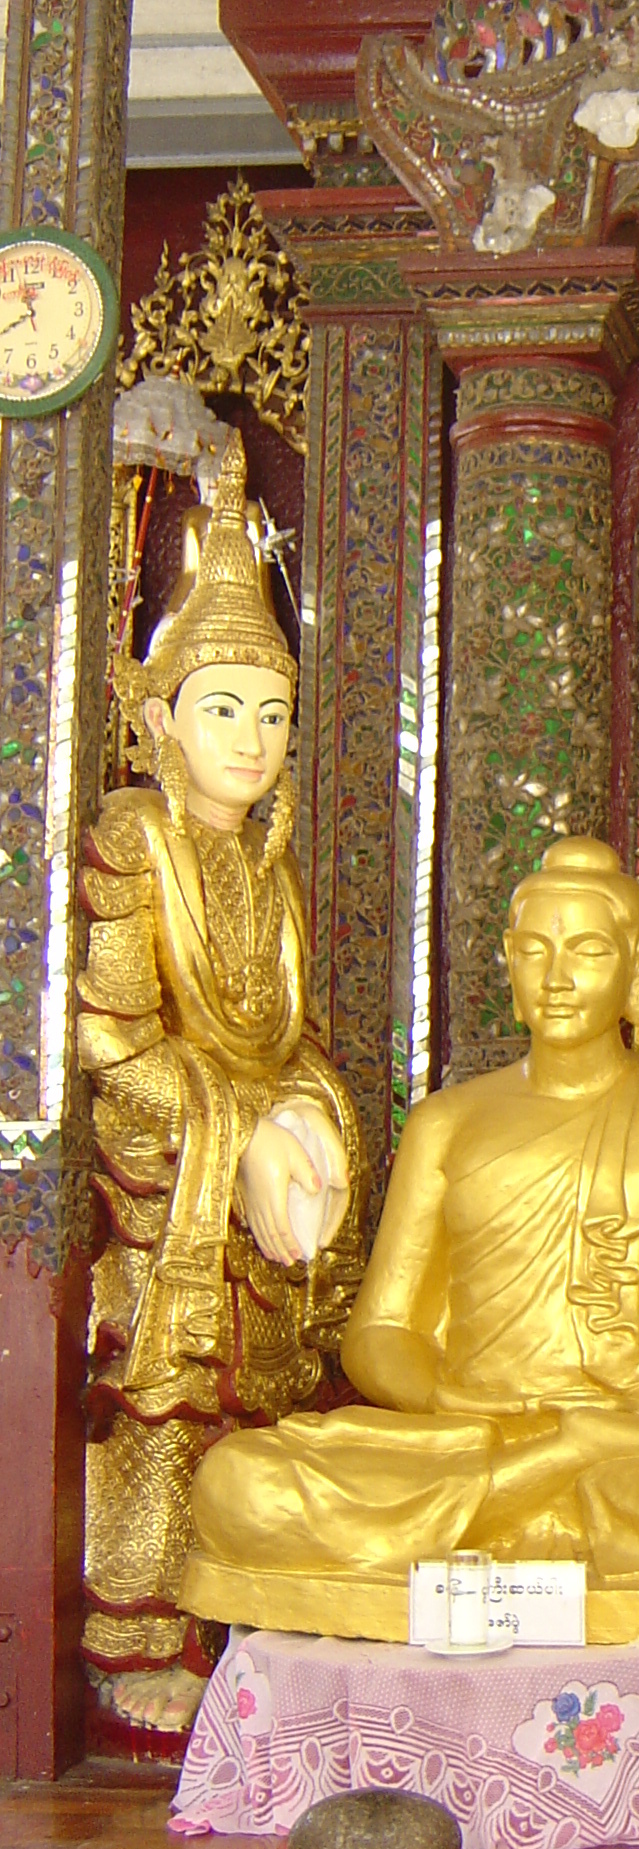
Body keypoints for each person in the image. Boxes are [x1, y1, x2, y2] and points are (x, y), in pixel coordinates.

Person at [182, 835, 639, 1644]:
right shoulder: (446, 1125)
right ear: (506, 960)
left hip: (632, 1447)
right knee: (243, 1483)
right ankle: (545, 1495)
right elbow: (381, 1334)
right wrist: (444, 1396)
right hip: (468, 1438)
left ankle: (516, 1508)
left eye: (589, 951)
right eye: (535, 950)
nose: (558, 977)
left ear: (638, 969)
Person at [82, 438, 363, 1736]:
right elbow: (111, 1046)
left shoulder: (269, 872)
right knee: (164, 1401)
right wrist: (238, 1128)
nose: (250, 742)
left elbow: (285, 1037)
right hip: (163, 1185)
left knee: (264, 1402)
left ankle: (237, 1610)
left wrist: (308, 1116)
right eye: (221, 710)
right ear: (156, 721)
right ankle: (134, 1626)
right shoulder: (137, 846)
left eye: (270, 715)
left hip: (247, 1172)